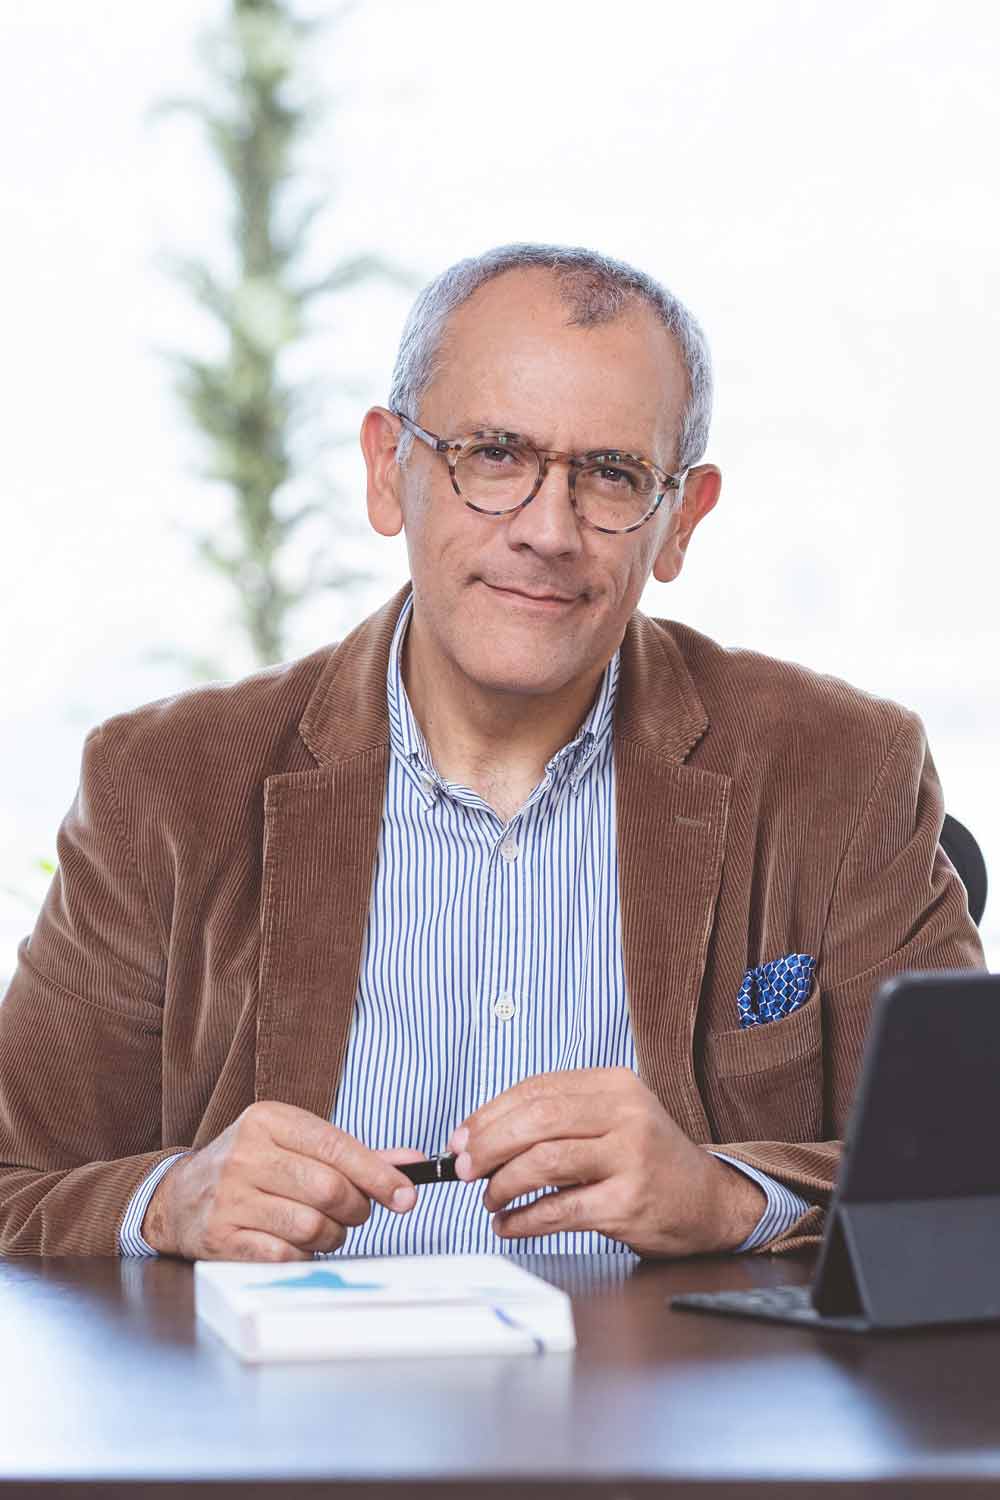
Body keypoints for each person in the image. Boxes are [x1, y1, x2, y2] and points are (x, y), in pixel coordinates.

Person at [0, 244, 984, 1262]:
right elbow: (12, 1181)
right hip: (283, 1368)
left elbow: (972, 1176)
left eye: (612, 475)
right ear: (388, 470)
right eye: (495, 456)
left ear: (680, 522)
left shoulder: (841, 771)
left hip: (675, 1367)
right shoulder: (164, 786)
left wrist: (729, 1199)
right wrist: (167, 1205)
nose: (547, 531)